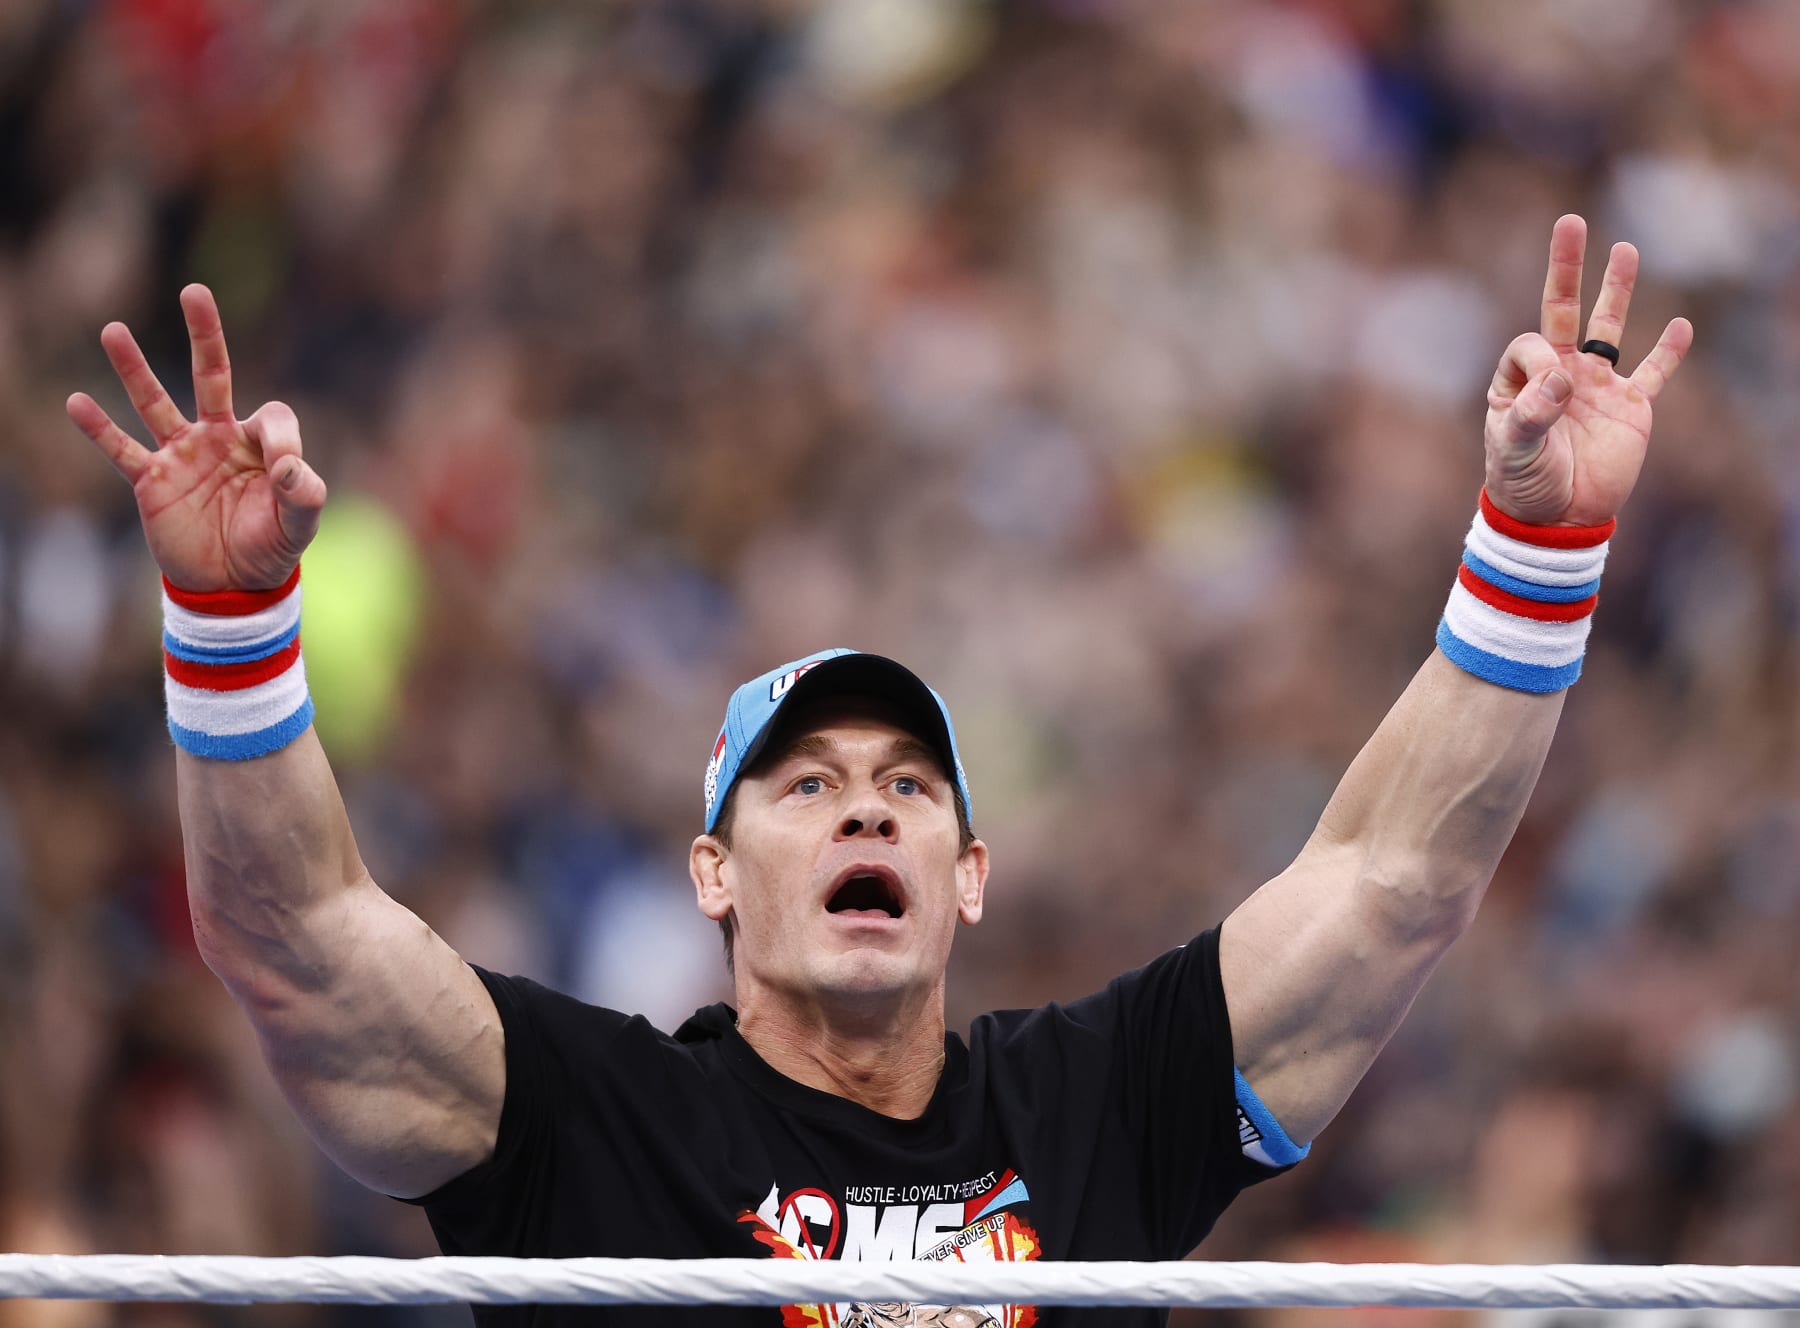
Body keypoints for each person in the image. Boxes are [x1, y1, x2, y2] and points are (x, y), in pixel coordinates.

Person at [66, 214, 1691, 1328]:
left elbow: (1393, 884)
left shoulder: (1095, 1105)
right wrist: (230, 617)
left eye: (912, 788)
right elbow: (295, 945)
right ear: (712, 874)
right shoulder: (594, 1122)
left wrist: (1537, 546)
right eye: (804, 784)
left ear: (969, 877)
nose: (864, 803)